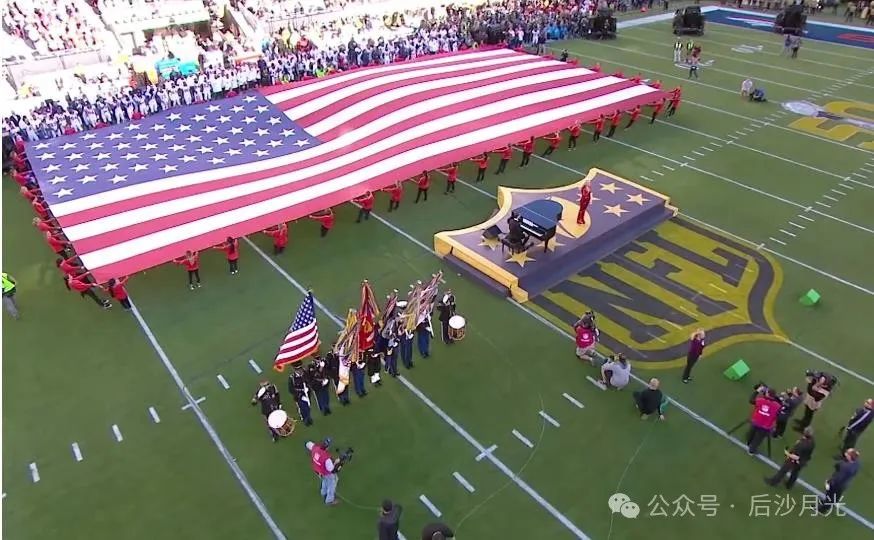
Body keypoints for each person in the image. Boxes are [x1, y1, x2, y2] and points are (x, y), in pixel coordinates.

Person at [818, 448, 860, 514]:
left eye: (847, 454)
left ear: (850, 457)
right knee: (834, 496)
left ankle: (823, 509)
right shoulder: (856, 464)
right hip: (844, 484)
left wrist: (830, 482)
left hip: (837, 484)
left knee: (831, 495)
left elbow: (838, 478)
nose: (845, 454)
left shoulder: (845, 467)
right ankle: (826, 504)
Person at [747, 385, 782, 455]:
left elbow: (751, 400)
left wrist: (757, 391)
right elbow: (779, 414)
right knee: (758, 439)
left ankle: (749, 443)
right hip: (765, 426)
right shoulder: (777, 406)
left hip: (756, 421)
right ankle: (751, 450)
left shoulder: (760, 400)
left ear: (767, 394)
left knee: (752, 433)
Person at [306, 439, 340, 505]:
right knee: (332, 484)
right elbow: (331, 469)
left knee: (324, 481)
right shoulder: (326, 458)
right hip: (325, 473)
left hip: (318, 471)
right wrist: (336, 462)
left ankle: (323, 492)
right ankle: (329, 500)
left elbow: (308, 444)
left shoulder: (315, 448)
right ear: (327, 447)